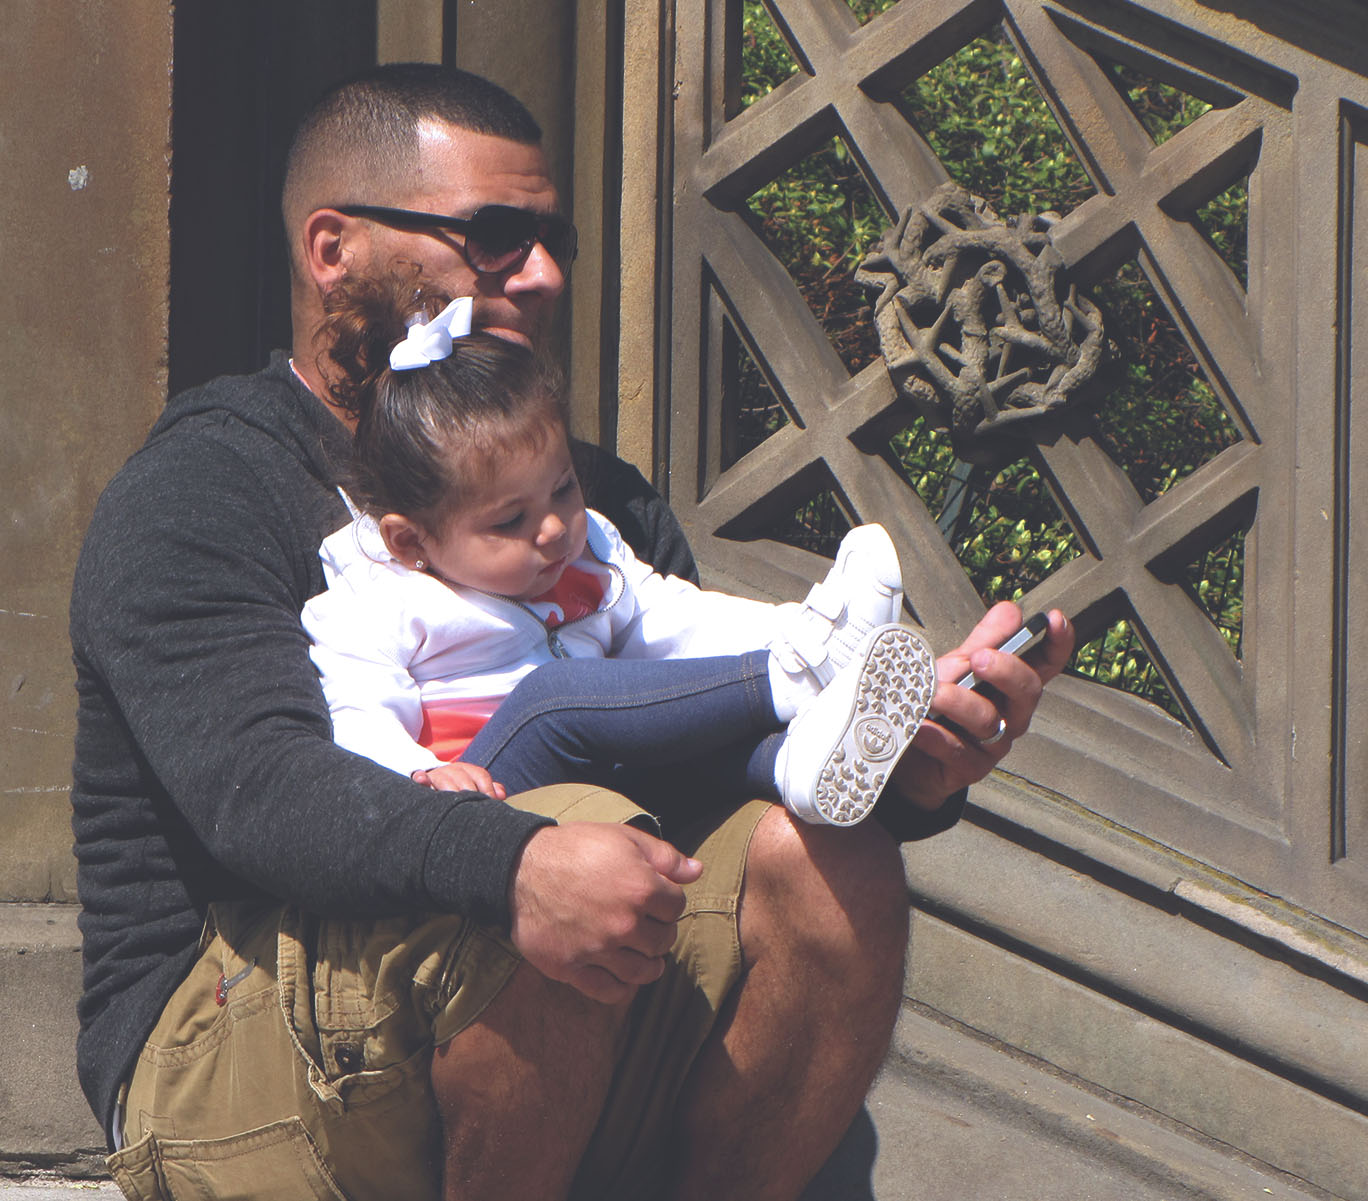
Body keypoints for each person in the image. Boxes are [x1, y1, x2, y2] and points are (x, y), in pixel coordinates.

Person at [69, 61, 1074, 1201]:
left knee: (825, 862)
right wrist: (517, 859)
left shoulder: (593, 503)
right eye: (495, 237)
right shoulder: (201, 490)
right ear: (333, 249)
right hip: (223, 1047)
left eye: (553, 241)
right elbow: (262, 795)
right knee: (576, 843)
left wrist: (906, 770)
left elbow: (687, 767)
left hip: (537, 997)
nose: (542, 274)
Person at [301, 273, 936, 827]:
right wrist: (417, 774)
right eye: (511, 520)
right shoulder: (377, 600)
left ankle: (794, 765)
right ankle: (798, 676)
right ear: (412, 540)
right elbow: (358, 713)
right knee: (556, 696)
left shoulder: (590, 553)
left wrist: (792, 627)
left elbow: (678, 621)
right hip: (482, 795)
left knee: (665, 719)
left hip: (602, 789)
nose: (554, 528)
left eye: (563, 488)